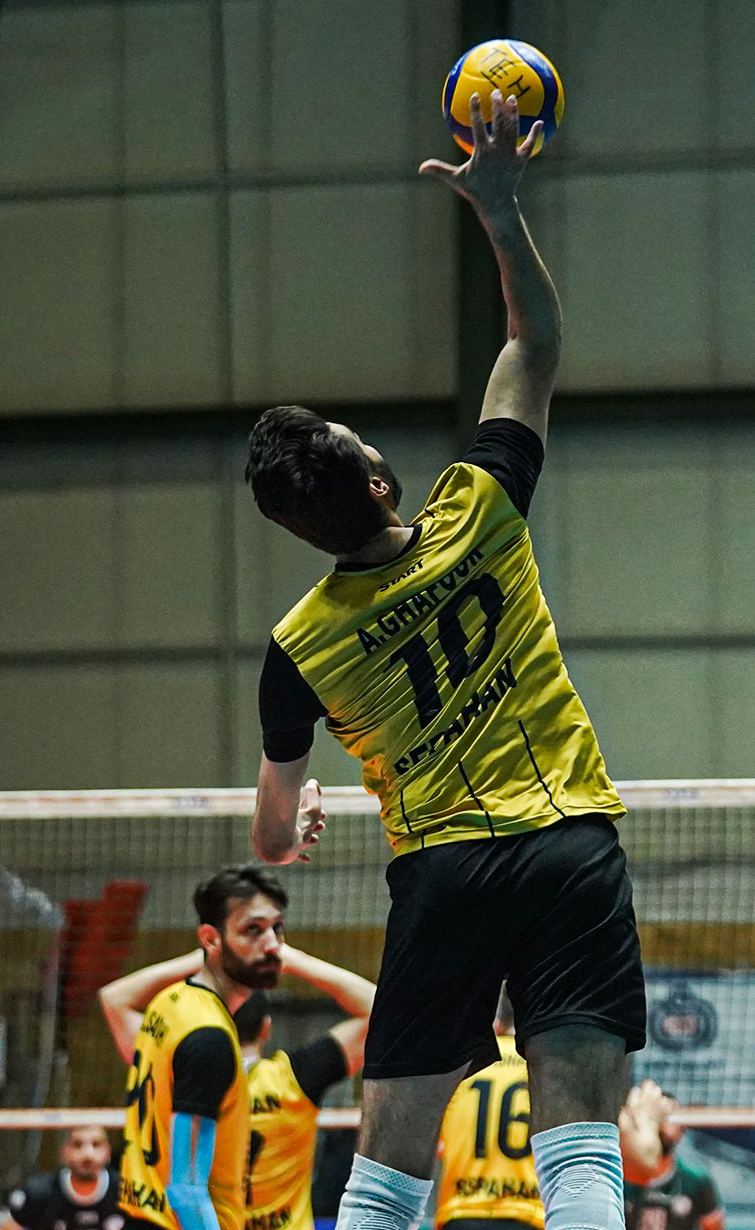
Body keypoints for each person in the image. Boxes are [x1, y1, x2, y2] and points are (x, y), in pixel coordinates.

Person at [247, 88, 642, 1230]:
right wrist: (499, 208)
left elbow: (271, 838)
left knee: (386, 1173)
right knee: (579, 1151)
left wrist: (298, 819)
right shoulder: (478, 508)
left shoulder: (299, 646)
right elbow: (534, 343)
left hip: (444, 875)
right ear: (377, 482)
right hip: (567, 845)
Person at [100, 939, 375, 1230]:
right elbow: (378, 1012)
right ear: (266, 1028)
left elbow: (114, 998)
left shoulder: (174, 1065)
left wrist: (211, 959)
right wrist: (294, 960)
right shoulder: (294, 1080)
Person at [116, 867, 283, 1230]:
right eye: (253, 930)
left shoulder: (169, 1001)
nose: (272, 945)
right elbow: (186, 1191)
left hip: (141, 1215)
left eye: (277, 928)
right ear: (210, 939)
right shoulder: (210, 1037)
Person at [434, 993, 541, 1230]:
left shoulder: (463, 1066)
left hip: (461, 1214)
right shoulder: (546, 1067)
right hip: (529, 1216)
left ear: (497, 1022)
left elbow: (430, 1145)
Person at [615, 1083, 720, 1230]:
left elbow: (714, 1225)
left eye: (669, 1119)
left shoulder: (697, 1180)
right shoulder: (617, 1179)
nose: (662, 1125)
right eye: (657, 1118)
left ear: (682, 1129)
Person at [1, 1126, 120, 1230]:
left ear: (108, 1151)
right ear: (64, 1151)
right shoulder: (38, 1193)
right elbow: (8, 1226)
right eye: (77, 1144)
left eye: (96, 1144)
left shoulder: (123, 1191)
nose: (88, 1154)